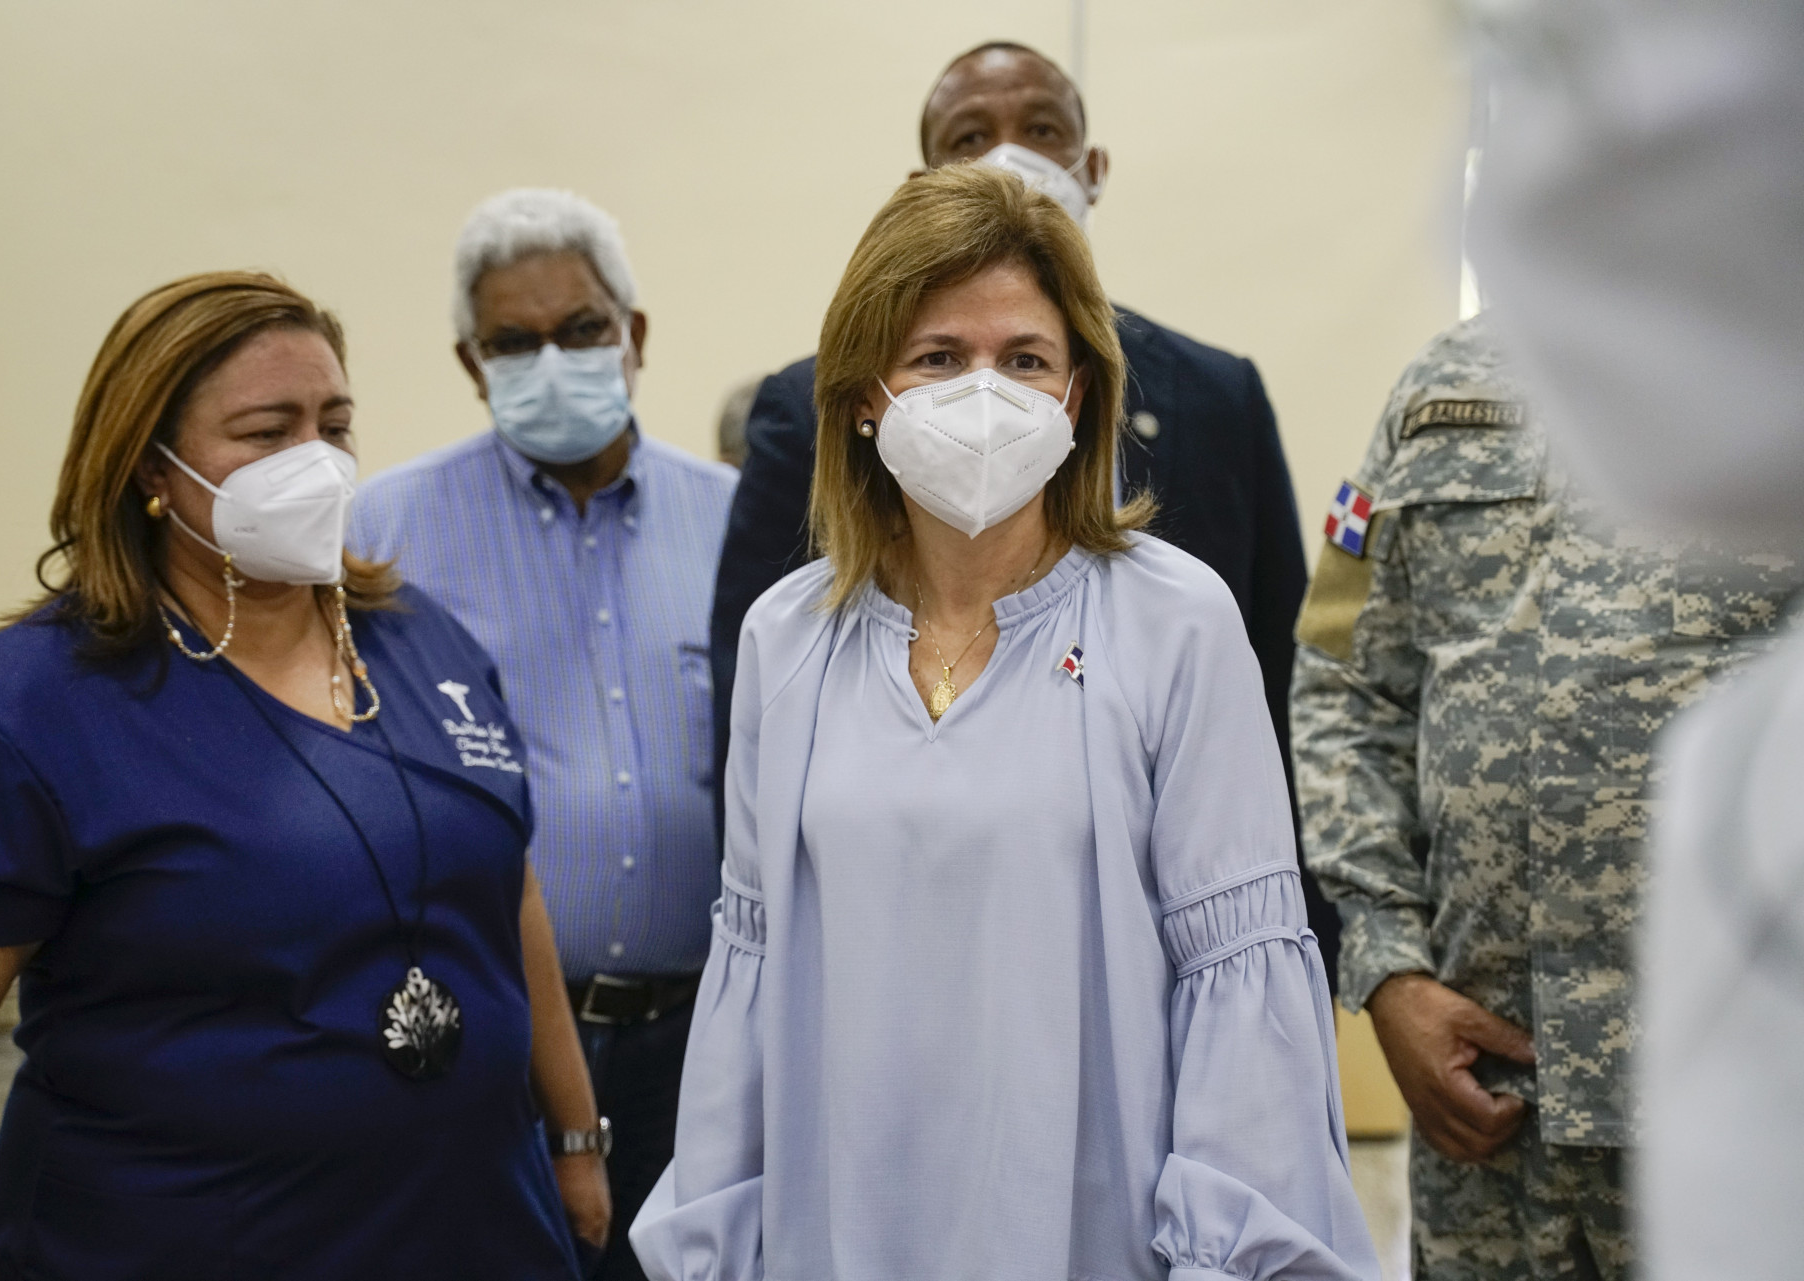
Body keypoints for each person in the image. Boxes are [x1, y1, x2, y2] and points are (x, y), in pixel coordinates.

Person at [629, 163, 1378, 1281]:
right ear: (866, 394)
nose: (985, 392)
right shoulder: (789, 639)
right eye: (939, 357)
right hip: (840, 1235)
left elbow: (1239, 994)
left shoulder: (1174, 622)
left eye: (1025, 358)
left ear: (1076, 395)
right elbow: (751, 993)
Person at [0, 272, 606, 1279]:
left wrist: (573, 1136)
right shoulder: (20, 712)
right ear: (151, 462)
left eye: (334, 425)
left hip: (477, 1231)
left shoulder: (419, 642)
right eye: (268, 432)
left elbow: (505, 888)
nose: (315, 460)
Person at [708, 38, 1336, 982]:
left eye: (1043, 130)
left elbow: (1282, 681)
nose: (1010, 158)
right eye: (971, 136)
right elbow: (756, 751)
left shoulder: (1214, 408)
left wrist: (1303, 941)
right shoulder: (798, 485)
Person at [1289, 313, 1801, 1279]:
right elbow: (1343, 677)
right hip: (1483, 1111)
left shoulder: (1770, 367)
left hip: (1730, 1101)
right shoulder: (1439, 386)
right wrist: (1390, 971)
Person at [1468, 5, 1804, 1275]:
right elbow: (1351, 680)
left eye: (1575, 59)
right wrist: (1386, 969)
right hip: (1498, 1056)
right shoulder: (1742, 766)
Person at [349, 188, 736, 1279]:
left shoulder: (737, 518)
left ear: (634, 334)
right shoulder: (384, 533)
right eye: (513, 342)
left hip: (700, 1040)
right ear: (472, 364)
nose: (551, 361)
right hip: (489, 1040)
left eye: (580, 328)